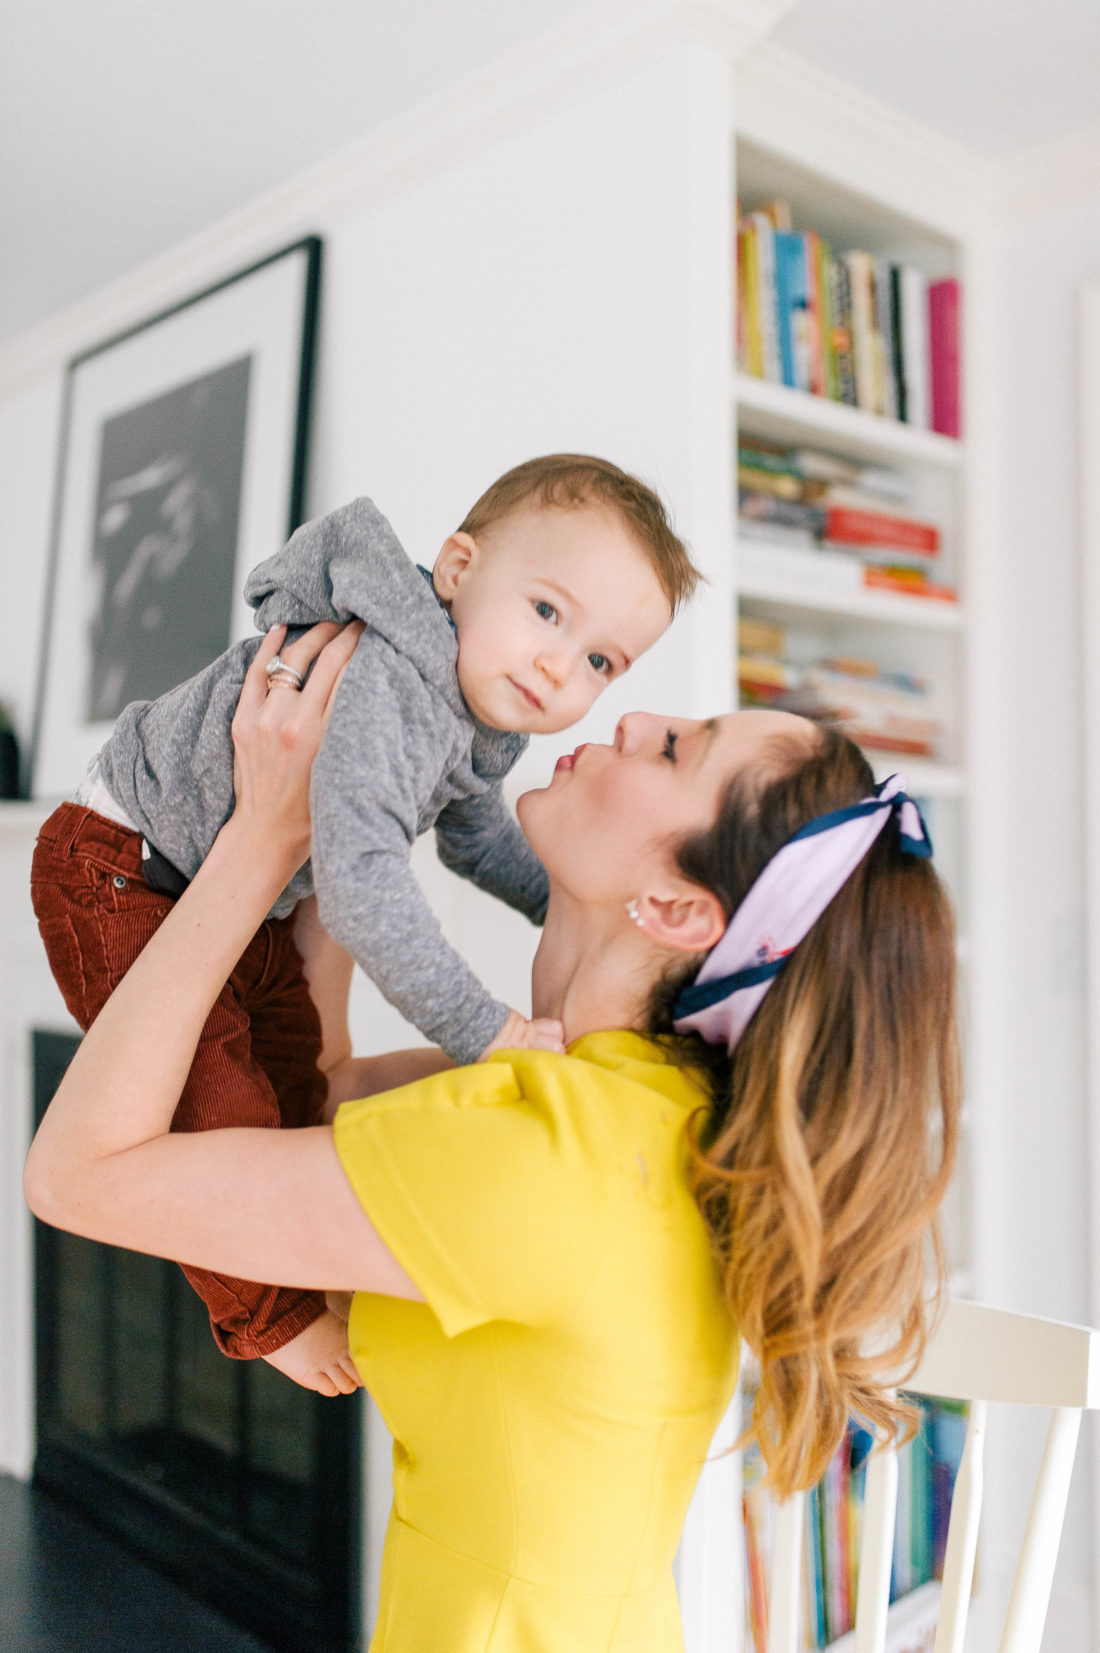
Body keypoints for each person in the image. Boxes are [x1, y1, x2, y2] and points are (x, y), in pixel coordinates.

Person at [25, 623, 960, 1653]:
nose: (634, 715)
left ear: (673, 906)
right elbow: (322, 1104)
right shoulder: (617, 1110)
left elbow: (81, 1176)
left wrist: (258, 841)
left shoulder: (544, 1160)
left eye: (672, 751)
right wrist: (350, 825)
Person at [30, 453, 695, 1395]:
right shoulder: (398, 684)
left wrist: (579, 905)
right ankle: (267, 1315)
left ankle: (283, 1270)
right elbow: (361, 881)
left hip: (239, 898)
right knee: (217, 1100)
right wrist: (486, 1028)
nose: (559, 665)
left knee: (297, 1084)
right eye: (548, 612)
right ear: (459, 570)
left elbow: (472, 843)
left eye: (599, 661)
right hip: (124, 864)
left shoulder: (475, 715)